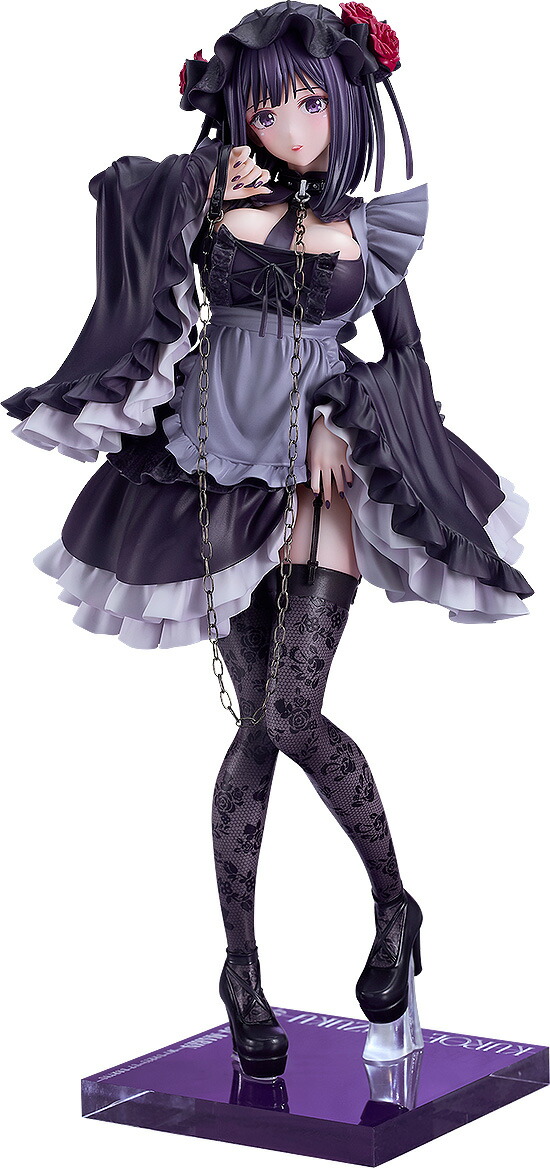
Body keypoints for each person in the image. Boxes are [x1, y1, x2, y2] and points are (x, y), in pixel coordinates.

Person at [1, 3, 533, 1080]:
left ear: (346, 105)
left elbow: (408, 361)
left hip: (316, 475)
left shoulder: (367, 233)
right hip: (210, 463)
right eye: (267, 109)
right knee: (256, 723)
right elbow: (119, 192)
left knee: (289, 710)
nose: (292, 127)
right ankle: (241, 970)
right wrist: (206, 181)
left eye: (310, 104)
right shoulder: (210, 199)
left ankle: (393, 907)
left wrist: (346, 414)